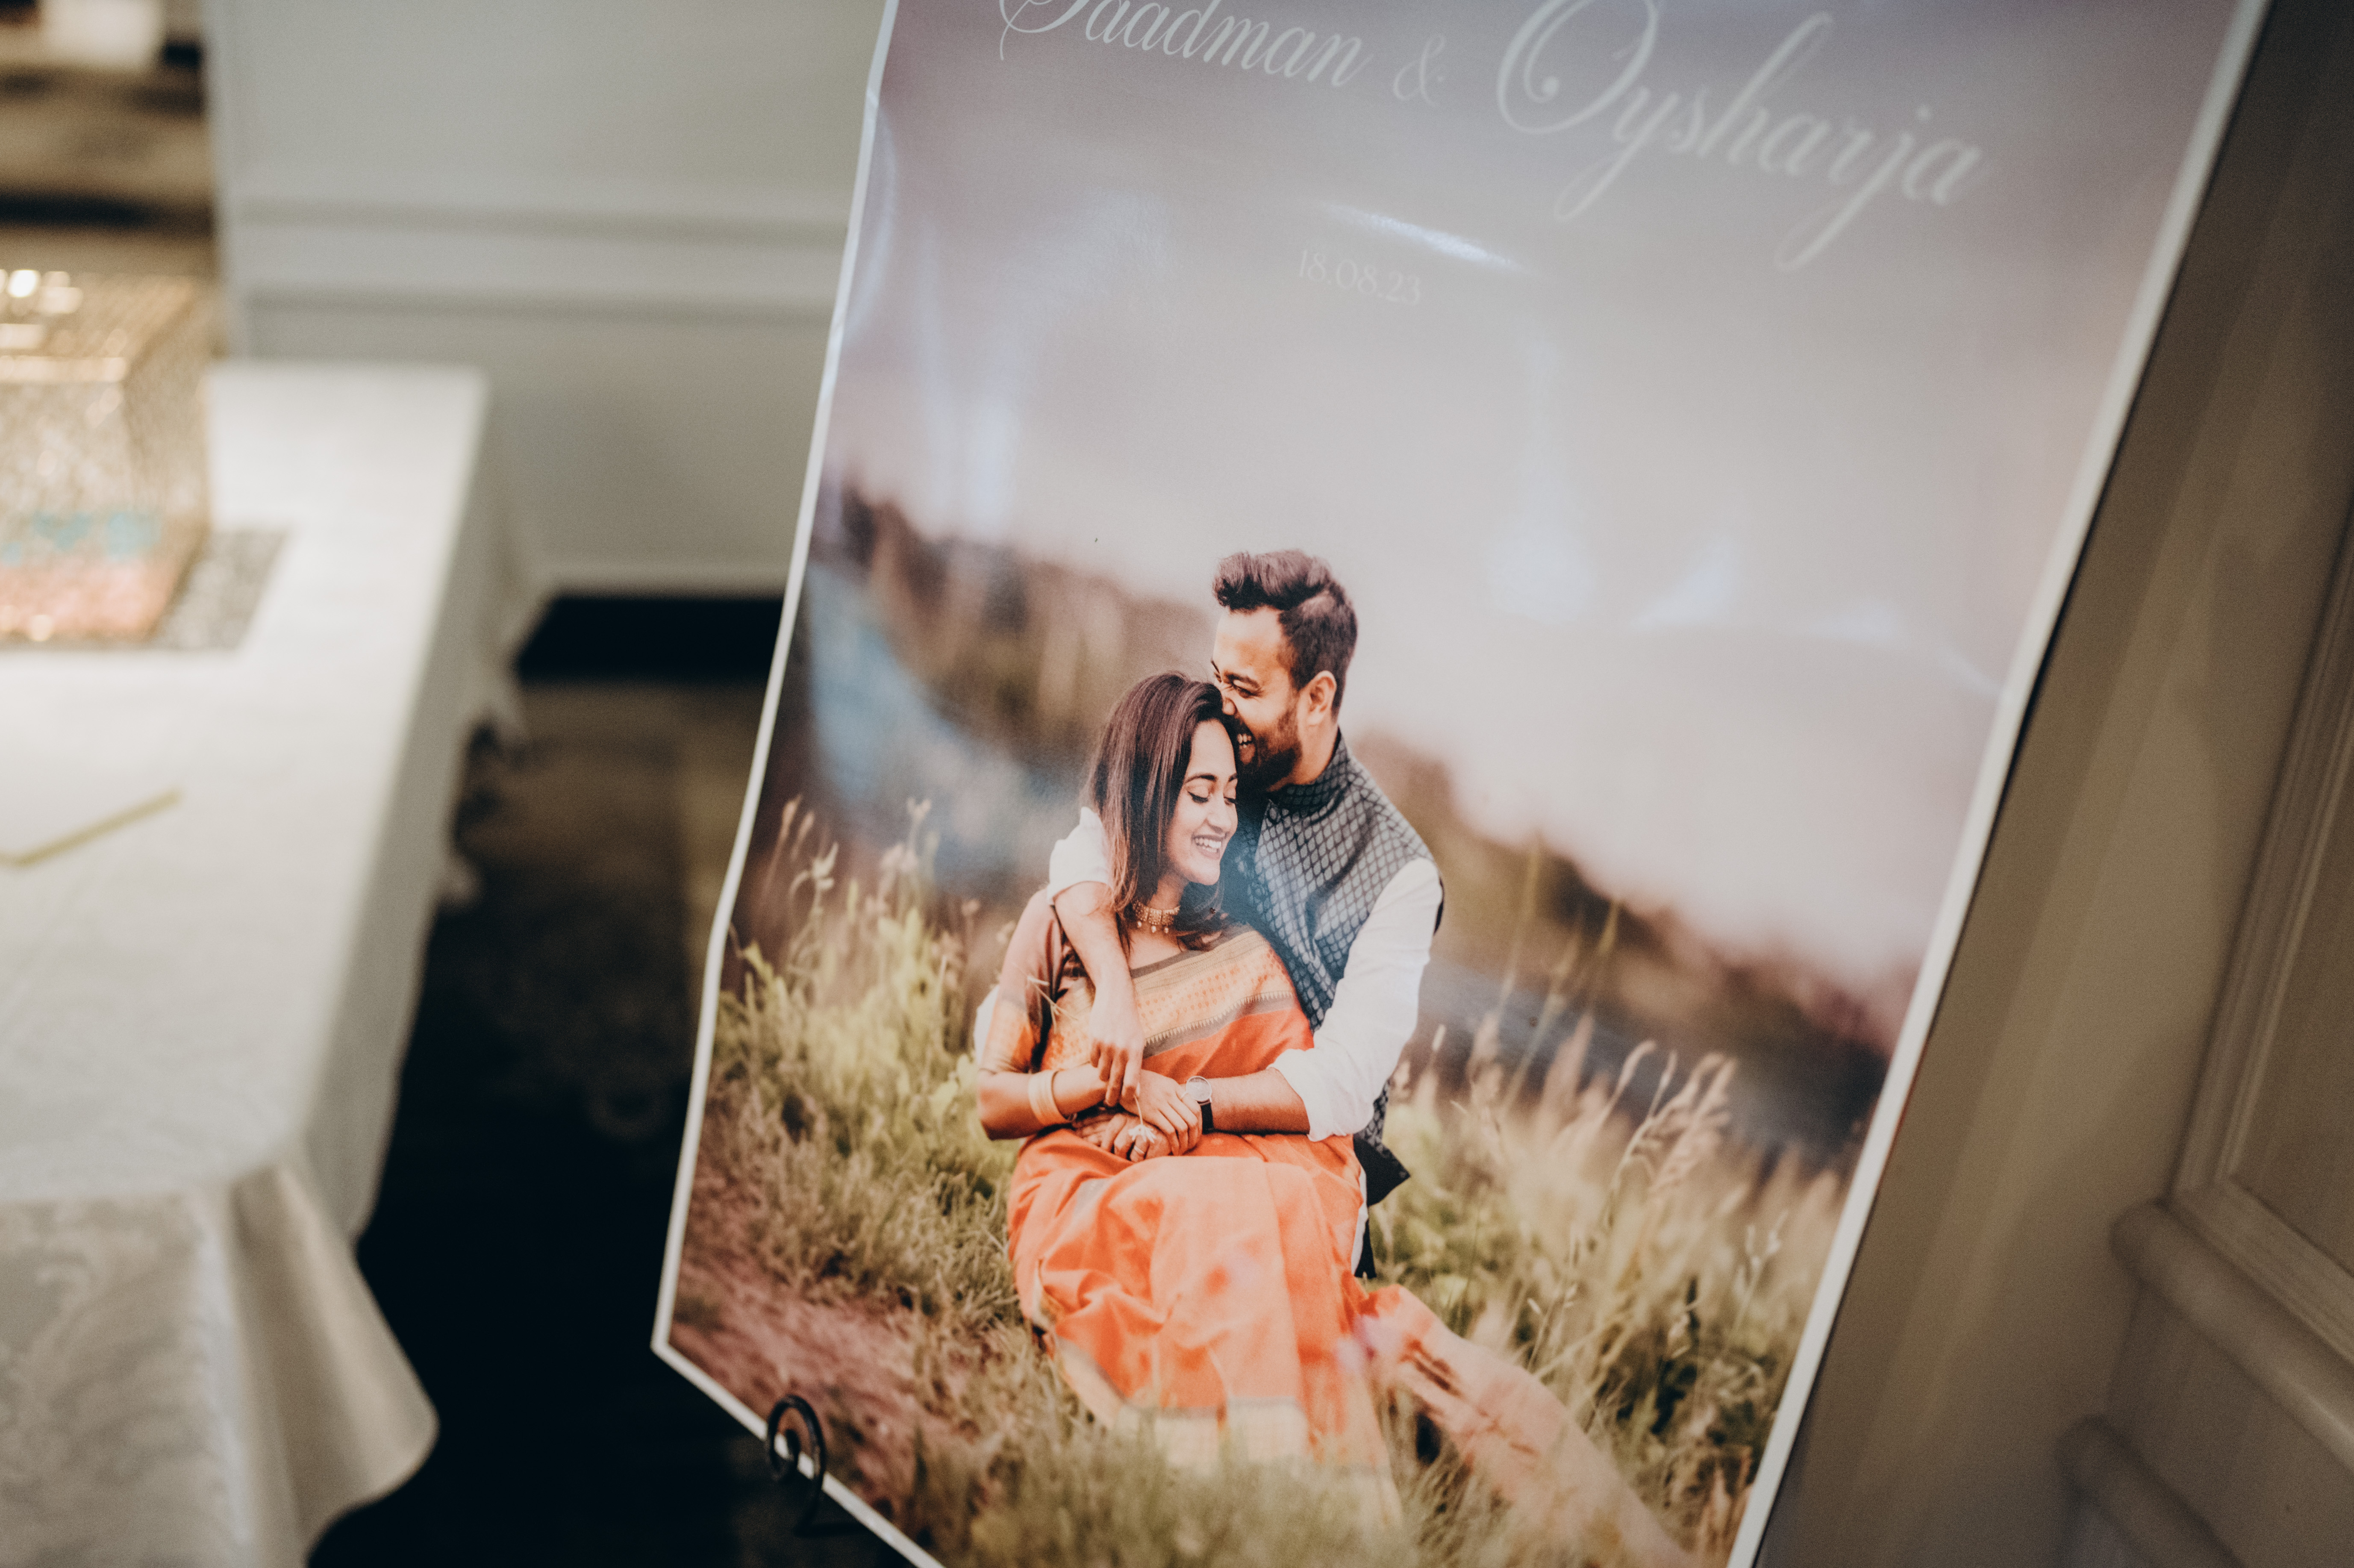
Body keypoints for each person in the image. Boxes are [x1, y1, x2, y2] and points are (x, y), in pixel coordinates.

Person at [973, 672, 1693, 1567]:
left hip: (1211, 1208)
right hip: (1079, 1198)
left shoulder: (1245, 957)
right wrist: (1109, 1088)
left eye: (1230, 796)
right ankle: (1275, 1485)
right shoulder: (1060, 921)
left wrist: (1182, 1126)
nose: (1220, 816)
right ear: (1148, 788)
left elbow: (1316, 1141)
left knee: (1404, 1341)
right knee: (1237, 1213)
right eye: (1199, 793)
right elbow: (994, 1102)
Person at [1030, 551, 1439, 1261]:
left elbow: (1344, 1084)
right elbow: (1085, 849)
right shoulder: (1217, 752)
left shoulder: (1402, 875)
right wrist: (1116, 995)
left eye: (1243, 688)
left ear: (1317, 697)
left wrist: (1188, 1104)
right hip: (1156, 1097)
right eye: (1217, 675)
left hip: (1293, 1156)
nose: (1220, 704)